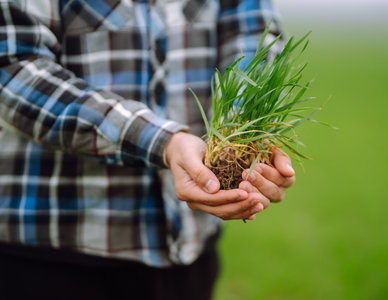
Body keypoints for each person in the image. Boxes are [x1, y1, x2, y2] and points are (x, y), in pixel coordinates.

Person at [0, 0, 295, 299]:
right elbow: (12, 67)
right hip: (52, 249)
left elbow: (254, 32)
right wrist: (163, 142)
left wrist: (246, 128)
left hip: (188, 249)